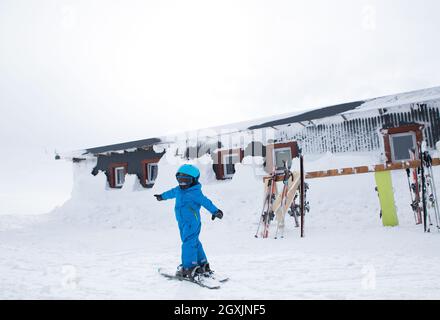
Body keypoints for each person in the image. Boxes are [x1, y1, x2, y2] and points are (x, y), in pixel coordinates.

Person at [154, 164, 223, 279]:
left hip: (191, 222)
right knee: (194, 241)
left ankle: (189, 267)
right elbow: (170, 193)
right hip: (182, 222)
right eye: (180, 180)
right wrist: (162, 196)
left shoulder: (195, 192)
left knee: (188, 243)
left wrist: (215, 211)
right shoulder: (178, 190)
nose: (182, 184)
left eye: (185, 181)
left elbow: (206, 202)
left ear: (194, 180)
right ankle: (202, 263)